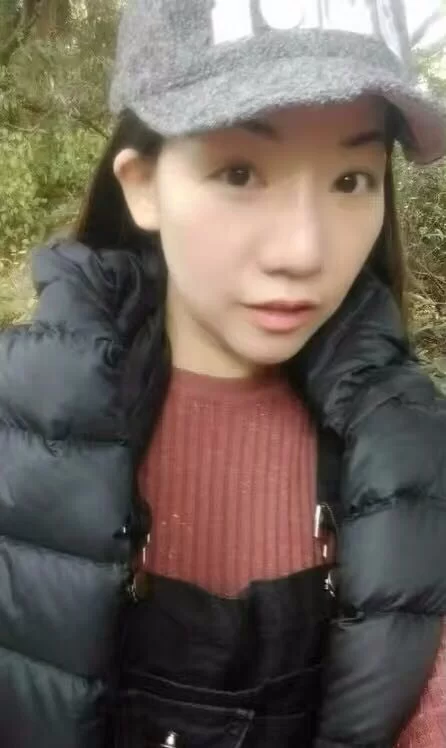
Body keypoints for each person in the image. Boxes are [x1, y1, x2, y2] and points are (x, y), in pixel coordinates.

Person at [0, 1, 445, 746]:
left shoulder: (417, 462)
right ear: (143, 184)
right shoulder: (17, 435)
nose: (303, 252)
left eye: (351, 180)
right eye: (240, 172)